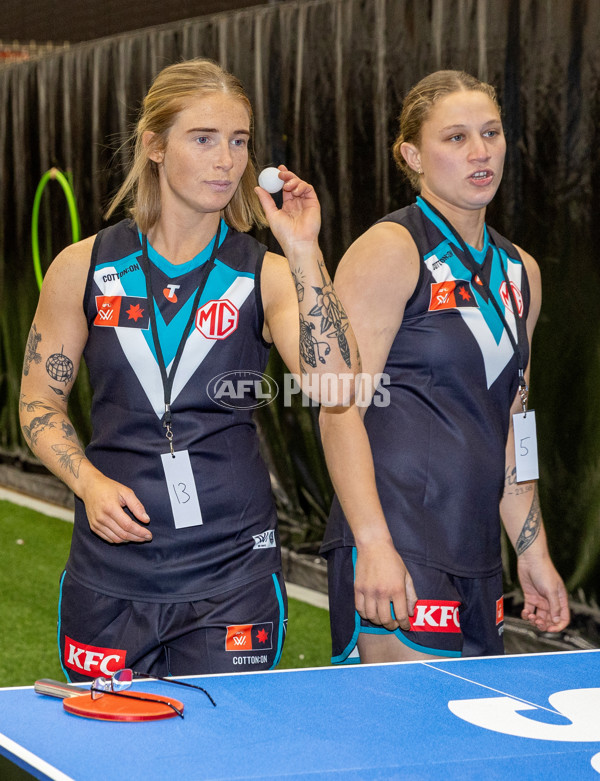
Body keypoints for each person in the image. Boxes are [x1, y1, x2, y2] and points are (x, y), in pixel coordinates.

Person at [20, 58, 358, 681]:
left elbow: (337, 385)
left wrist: (306, 251)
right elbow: (39, 402)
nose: (226, 161)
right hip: (111, 570)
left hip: (233, 572)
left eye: (239, 142)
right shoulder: (83, 266)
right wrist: (89, 485)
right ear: (154, 145)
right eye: (203, 139)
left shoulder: (268, 272)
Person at [319, 70, 570, 664]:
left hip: (478, 554)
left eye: (491, 133)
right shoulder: (389, 249)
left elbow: (514, 425)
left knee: (471, 748)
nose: (480, 152)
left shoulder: (522, 272)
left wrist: (532, 553)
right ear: (412, 154)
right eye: (455, 138)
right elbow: (338, 408)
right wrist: (373, 544)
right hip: (397, 543)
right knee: (413, 741)